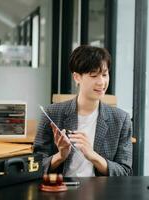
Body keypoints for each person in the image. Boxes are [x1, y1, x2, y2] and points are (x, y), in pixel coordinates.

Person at [34, 45, 133, 176]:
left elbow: (124, 172)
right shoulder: (52, 113)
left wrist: (92, 155)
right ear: (77, 77)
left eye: (104, 74)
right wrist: (61, 156)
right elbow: (35, 166)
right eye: (94, 76)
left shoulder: (121, 119)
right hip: (61, 190)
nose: (101, 82)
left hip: (102, 192)